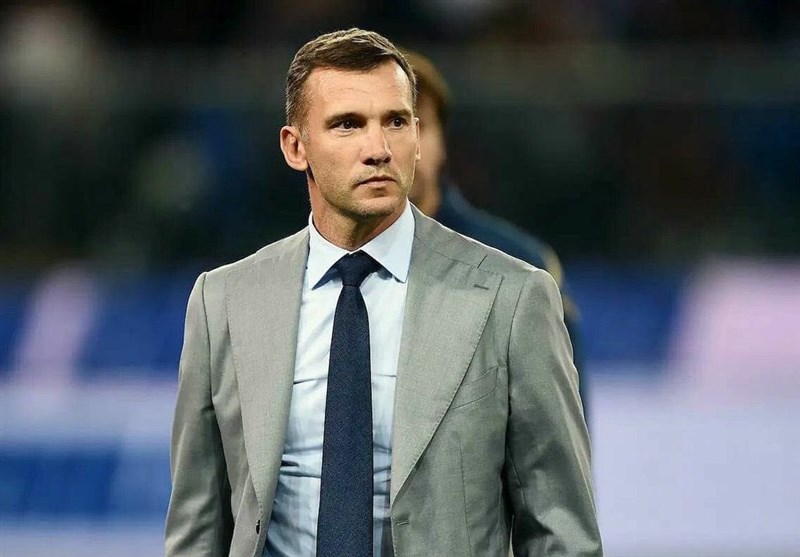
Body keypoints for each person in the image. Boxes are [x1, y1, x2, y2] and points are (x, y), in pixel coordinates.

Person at [165, 28, 601, 557]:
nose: (378, 149)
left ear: (418, 137)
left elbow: (560, 529)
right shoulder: (224, 302)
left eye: (395, 122)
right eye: (347, 124)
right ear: (295, 147)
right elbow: (197, 527)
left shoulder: (512, 296)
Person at [403, 50, 590, 420]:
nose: (398, 146)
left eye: (415, 125)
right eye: (370, 126)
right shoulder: (307, 270)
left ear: (443, 144)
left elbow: (560, 432)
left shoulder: (520, 268)